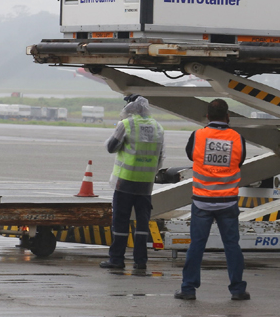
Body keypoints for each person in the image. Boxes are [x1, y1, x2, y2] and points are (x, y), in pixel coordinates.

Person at [175, 99, 250, 301]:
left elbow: (191, 156)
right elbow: (240, 161)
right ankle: (237, 290)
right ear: (228, 116)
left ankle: (188, 288)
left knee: (196, 245)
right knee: (232, 246)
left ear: (207, 116)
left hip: (202, 200)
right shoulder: (237, 138)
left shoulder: (198, 136)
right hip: (227, 200)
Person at [100, 94, 165, 271]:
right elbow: (160, 156)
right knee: (142, 223)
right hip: (145, 184)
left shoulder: (126, 124)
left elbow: (111, 147)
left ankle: (117, 259)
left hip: (125, 181)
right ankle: (141, 261)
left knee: (121, 221)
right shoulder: (158, 127)